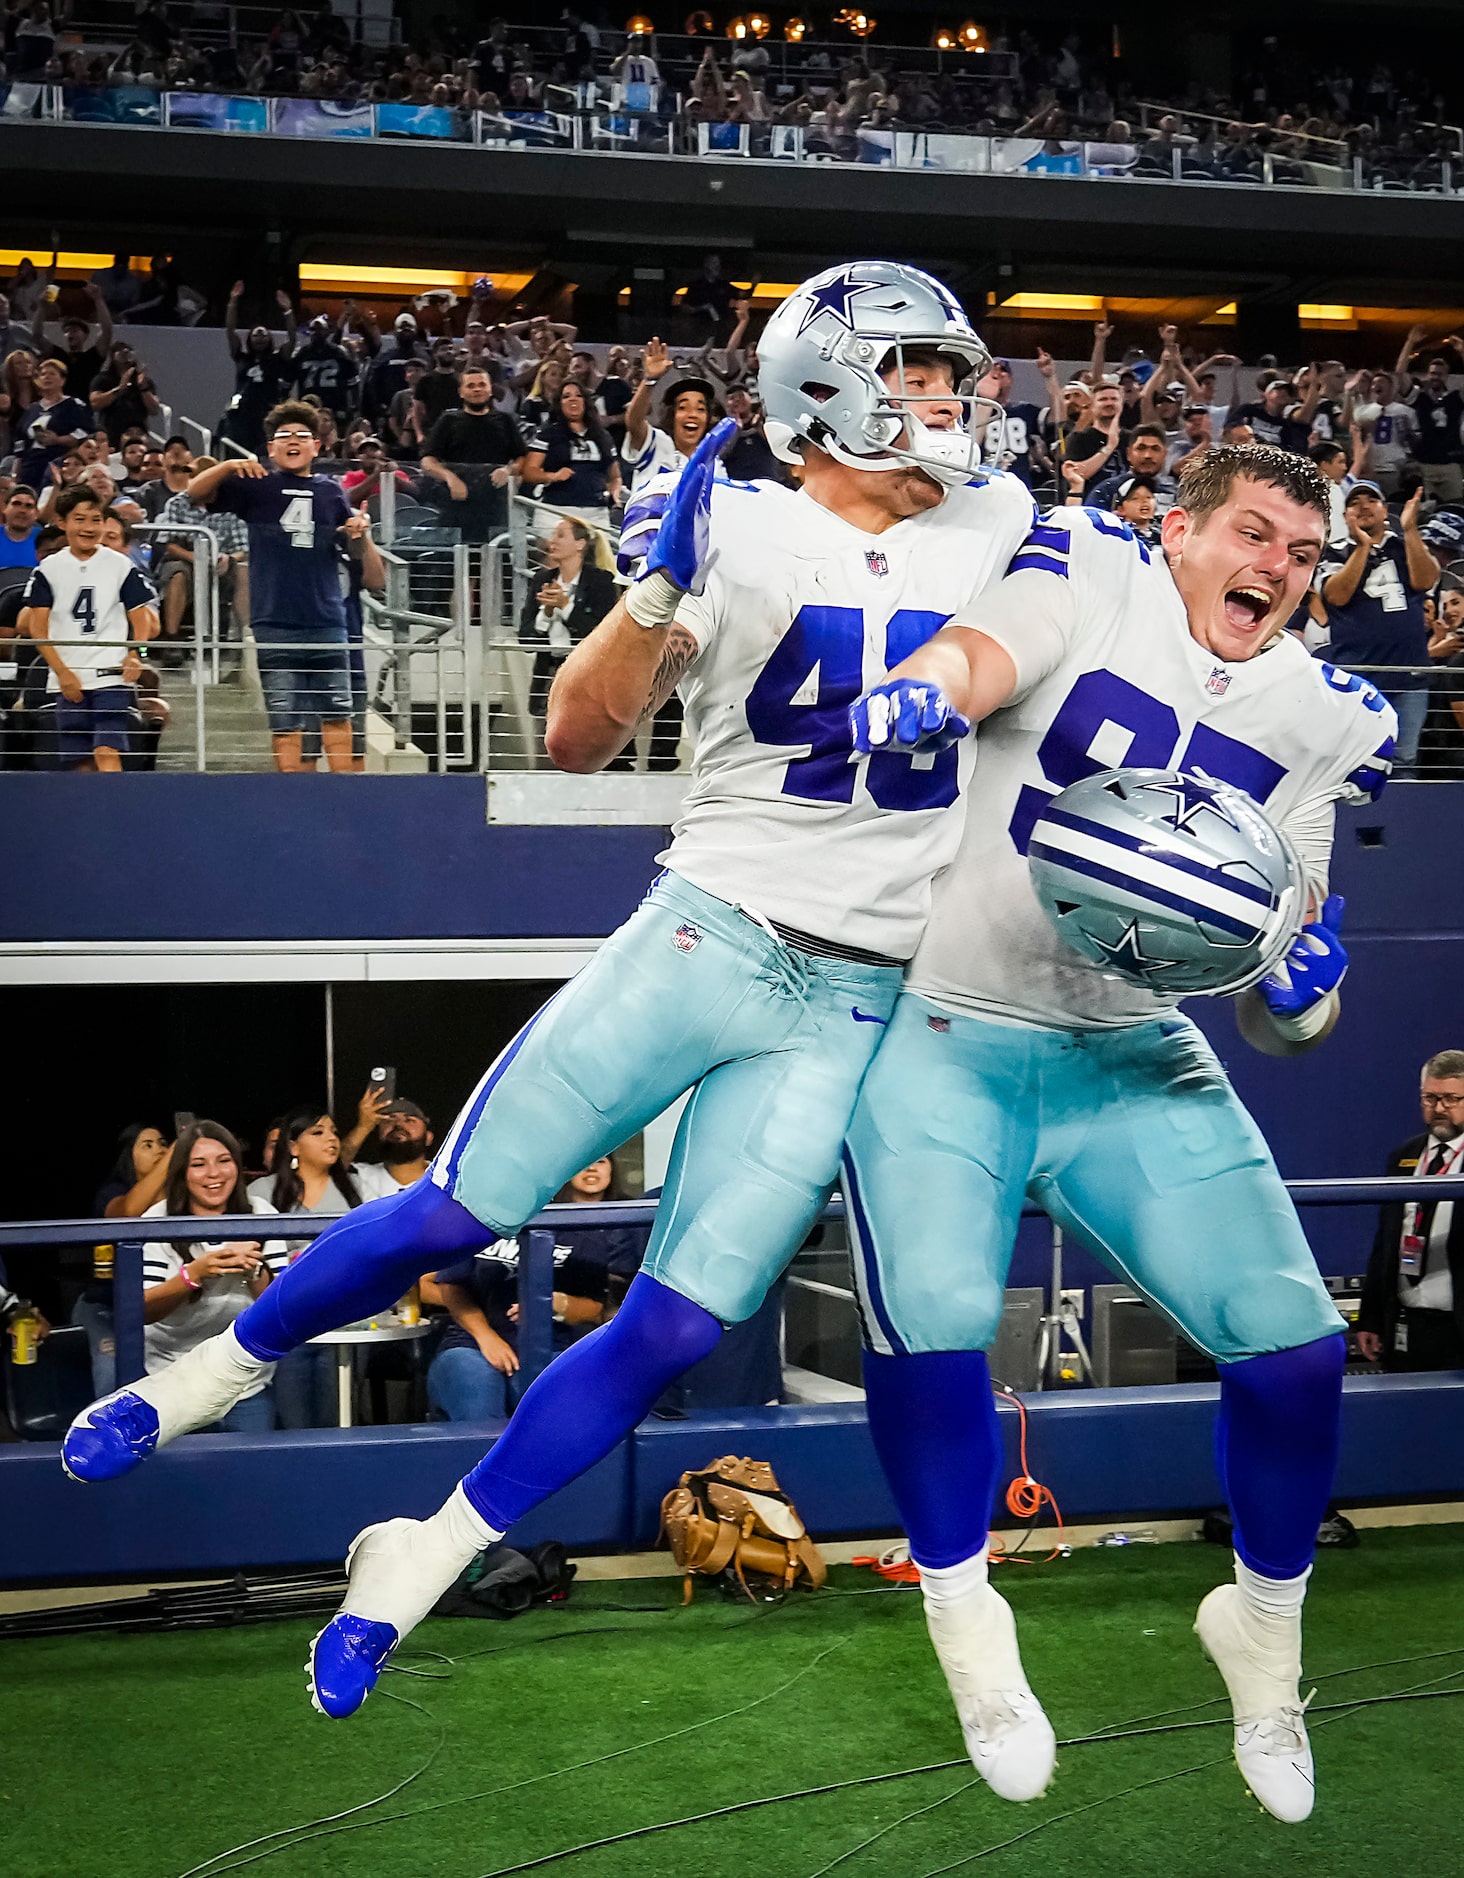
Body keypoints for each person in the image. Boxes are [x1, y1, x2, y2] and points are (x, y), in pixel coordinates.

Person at [61, 261, 1039, 1724]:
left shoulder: (1005, 525)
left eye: (953, 370)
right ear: (830, 388)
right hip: (710, 929)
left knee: (673, 1326)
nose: (953, 397)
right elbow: (578, 738)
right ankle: (198, 1379)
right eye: (917, 370)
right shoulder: (744, 521)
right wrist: (655, 581)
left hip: (855, 993)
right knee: (459, 1209)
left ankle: (420, 1557)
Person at [843, 442, 1398, 1823]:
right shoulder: (1091, 568)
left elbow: (1283, 1000)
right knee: (935, 1317)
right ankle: (970, 1628)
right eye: (1254, 530)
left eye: (1301, 549)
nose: (1277, 563)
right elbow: (986, 651)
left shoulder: (1324, 713)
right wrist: (926, 688)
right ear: (1178, 527)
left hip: (1127, 1044)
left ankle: (1262, 1632)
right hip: (946, 1025)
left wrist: (1304, 998)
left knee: (1294, 1345)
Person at [185, 401, 371, 773]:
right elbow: (195, 492)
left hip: (326, 619)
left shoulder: (332, 492)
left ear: (317, 447)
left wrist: (357, 533)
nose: (293, 441)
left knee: (337, 713)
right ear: (270, 447)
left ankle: (347, 798)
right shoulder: (255, 485)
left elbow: (353, 550)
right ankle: (291, 798)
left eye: (303, 435)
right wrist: (227, 465)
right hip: (274, 620)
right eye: (283, 435)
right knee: (286, 720)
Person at [427, 1157, 644, 1421]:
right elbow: (452, 1285)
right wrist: (486, 1337)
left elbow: (599, 1309)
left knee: (543, 1410)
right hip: (470, 1344)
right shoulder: (481, 1220)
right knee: (478, 1399)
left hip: (550, 1346)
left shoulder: (584, 1230)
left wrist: (553, 1304)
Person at [127, 1123, 288, 1439]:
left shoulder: (261, 1212)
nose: (213, 1173)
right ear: (181, 1173)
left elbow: (282, 1308)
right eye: (198, 1164)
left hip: (245, 1383)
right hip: (175, 1383)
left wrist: (253, 1267)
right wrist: (194, 1275)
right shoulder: (157, 1221)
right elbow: (140, 1310)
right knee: (184, 1483)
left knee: (251, 1479)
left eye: (223, 1160)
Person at [246, 1104, 399, 1429]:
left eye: (333, 1132)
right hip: (285, 1320)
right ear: (292, 1146)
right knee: (293, 1421)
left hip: (346, 1320)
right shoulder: (261, 1192)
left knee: (337, 1416)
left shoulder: (357, 1189)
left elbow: (377, 1248)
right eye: (318, 1133)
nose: (331, 1139)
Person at [21, 484, 159, 773]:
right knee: (79, 759)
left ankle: (115, 813)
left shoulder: (120, 565)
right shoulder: (48, 569)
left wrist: (137, 653)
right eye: (80, 519)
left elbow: (141, 616)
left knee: (107, 750)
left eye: (95, 519)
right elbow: (38, 627)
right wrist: (61, 673)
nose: (88, 527)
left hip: (111, 676)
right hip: (68, 679)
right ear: (62, 523)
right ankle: (90, 816)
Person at [1314, 481, 1439, 777]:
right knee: (1353, 763)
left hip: (1409, 675)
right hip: (1357, 677)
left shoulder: (1404, 545)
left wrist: (1410, 530)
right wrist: (1362, 548)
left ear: (1385, 510)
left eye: (1372, 499)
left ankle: (1401, 824)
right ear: (1345, 516)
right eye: (1356, 502)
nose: (1364, 505)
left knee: (1405, 761)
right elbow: (1337, 596)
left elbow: (1426, 581)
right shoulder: (1334, 552)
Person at [1357, 1049, 1464, 1371]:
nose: (1439, 1108)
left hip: (1458, 1327)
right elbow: (1386, 1243)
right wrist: (1371, 1318)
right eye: (1430, 1098)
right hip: (1406, 1325)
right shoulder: (1404, 1156)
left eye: (1451, 1099)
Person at [518, 514, 619, 732]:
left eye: (561, 536)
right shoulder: (541, 580)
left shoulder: (601, 581)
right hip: (548, 677)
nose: (552, 542)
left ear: (580, 544)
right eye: (553, 536)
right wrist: (545, 613)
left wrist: (565, 606)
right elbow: (525, 639)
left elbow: (603, 634)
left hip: (587, 676)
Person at [420, 366, 525, 542]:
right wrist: (450, 478)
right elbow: (427, 461)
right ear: (461, 392)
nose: (477, 389)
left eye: (482, 384)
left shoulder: (505, 421)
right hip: (457, 507)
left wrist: (508, 470)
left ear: (490, 389)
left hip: (495, 507)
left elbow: (521, 458)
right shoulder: (448, 420)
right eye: (471, 386)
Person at [520, 381, 622, 526]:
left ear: (586, 402)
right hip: (555, 511)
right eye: (566, 396)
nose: (573, 399)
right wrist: (553, 476)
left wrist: (615, 493)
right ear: (559, 404)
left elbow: (615, 476)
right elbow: (529, 472)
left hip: (596, 512)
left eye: (578, 395)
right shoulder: (548, 434)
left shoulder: (603, 436)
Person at [223, 282, 298, 457]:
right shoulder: (242, 358)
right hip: (243, 413)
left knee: (265, 451)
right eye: (256, 334)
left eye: (263, 334)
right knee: (240, 450)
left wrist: (288, 312)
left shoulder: (278, 358)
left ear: (270, 339)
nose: (260, 338)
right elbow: (230, 331)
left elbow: (292, 339)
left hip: (268, 412)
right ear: (249, 339)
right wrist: (233, 302)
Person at [0, 484, 39, 569]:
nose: (22, 510)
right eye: (16, 504)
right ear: (5, 508)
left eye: (29, 506)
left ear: (37, 513)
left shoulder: (45, 540)